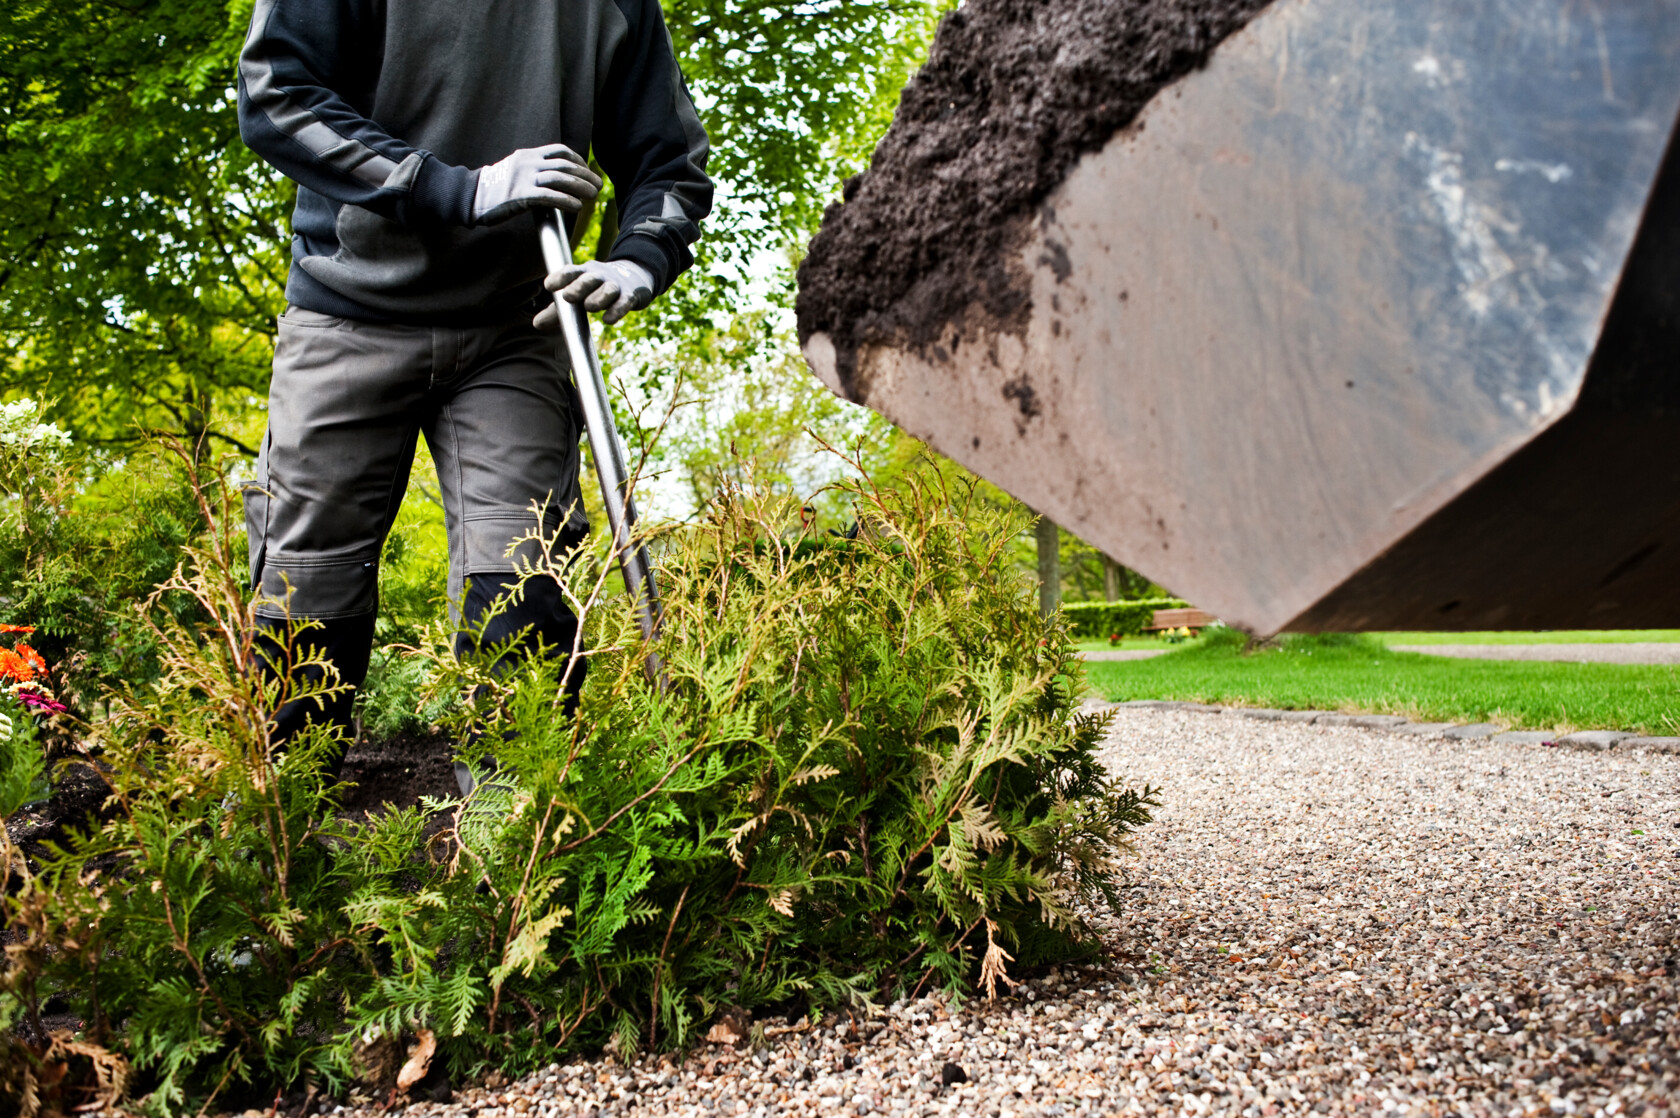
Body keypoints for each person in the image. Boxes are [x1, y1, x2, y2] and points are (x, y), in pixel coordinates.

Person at [235, 0, 712, 779]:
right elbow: (276, 96)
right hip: (348, 311)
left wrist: (640, 255)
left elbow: (668, 165)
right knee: (307, 590)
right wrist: (461, 188)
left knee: (522, 586)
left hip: (515, 327)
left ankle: (510, 852)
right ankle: (277, 837)